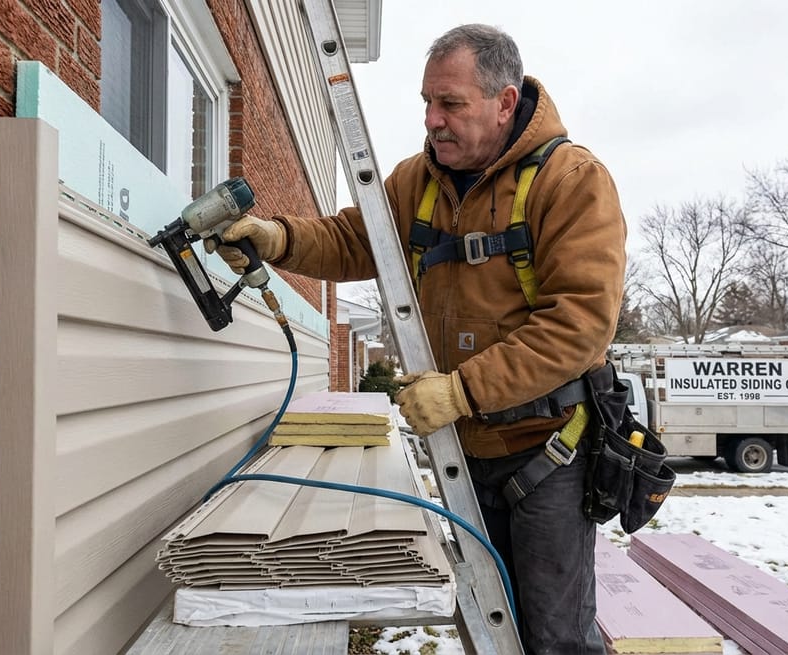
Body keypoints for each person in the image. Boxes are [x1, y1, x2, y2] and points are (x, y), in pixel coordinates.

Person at [215, 24, 625, 654]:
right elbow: (357, 239)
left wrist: (463, 390)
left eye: (452, 104)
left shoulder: (570, 181)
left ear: (505, 102)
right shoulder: (419, 181)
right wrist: (280, 237)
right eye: (428, 102)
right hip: (468, 450)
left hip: (548, 450)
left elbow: (581, 323)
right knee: (493, 627)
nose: (432, 120)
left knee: (554, 638)